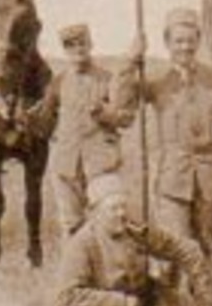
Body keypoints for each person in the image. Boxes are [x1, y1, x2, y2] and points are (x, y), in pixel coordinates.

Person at [54, 174, 212, 306]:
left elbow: (188, 249)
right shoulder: (82, 244)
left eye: (124, 206)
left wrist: (207, 304)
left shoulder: (135, 231)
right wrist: (120, 302)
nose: (121, 214)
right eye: (113, 208)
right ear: (95, 213)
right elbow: (67, 295)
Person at [122, 8, 212, 268]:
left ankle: (204, 303)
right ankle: (174, 303)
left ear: (198, 41)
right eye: (179, 41)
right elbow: (121, 99)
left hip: (210, 179)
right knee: (176, 246)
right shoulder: (157, 79)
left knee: (207, 246)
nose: (185, 47)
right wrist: (130, 60)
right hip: (173, 178)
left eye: (191, 40)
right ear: (167, 43)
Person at [36, 23, 137, 238]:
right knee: (71, 225)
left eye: (82, 43)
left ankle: (108, 270)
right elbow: (45, 124)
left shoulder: (108, 79)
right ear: (65, 51)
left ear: (90, 44)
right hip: (66, 166)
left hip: (101, 164)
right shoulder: (58, 82)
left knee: (109, 220)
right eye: (71, 46)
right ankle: (75, 269)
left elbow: (126, 118)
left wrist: (105, 115)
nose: (78, 50)